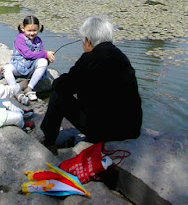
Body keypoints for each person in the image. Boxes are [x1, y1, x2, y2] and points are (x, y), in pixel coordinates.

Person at [40, 16, 142, 155]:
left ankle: (48, 141)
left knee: (58, 95)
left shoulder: (90, 59)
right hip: (131, 129)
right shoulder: (121, 56)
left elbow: (64, 86)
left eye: (83, 40)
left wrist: (58, 81)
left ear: (88, 40)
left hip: (106, 131)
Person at [4, 15, 55, 103]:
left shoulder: (38, 40)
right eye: (29, 30)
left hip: (31, 67)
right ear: (23, 28)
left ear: (39, 28)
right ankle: (15, 90)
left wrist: (46, 58)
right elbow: (27, 54)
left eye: (34, 30)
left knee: (43, 62)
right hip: (19, 66)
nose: (32, 33)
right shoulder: (20, 39)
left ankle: (29, 88)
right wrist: (45, 53)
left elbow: (39, 55)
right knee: (6, 69)